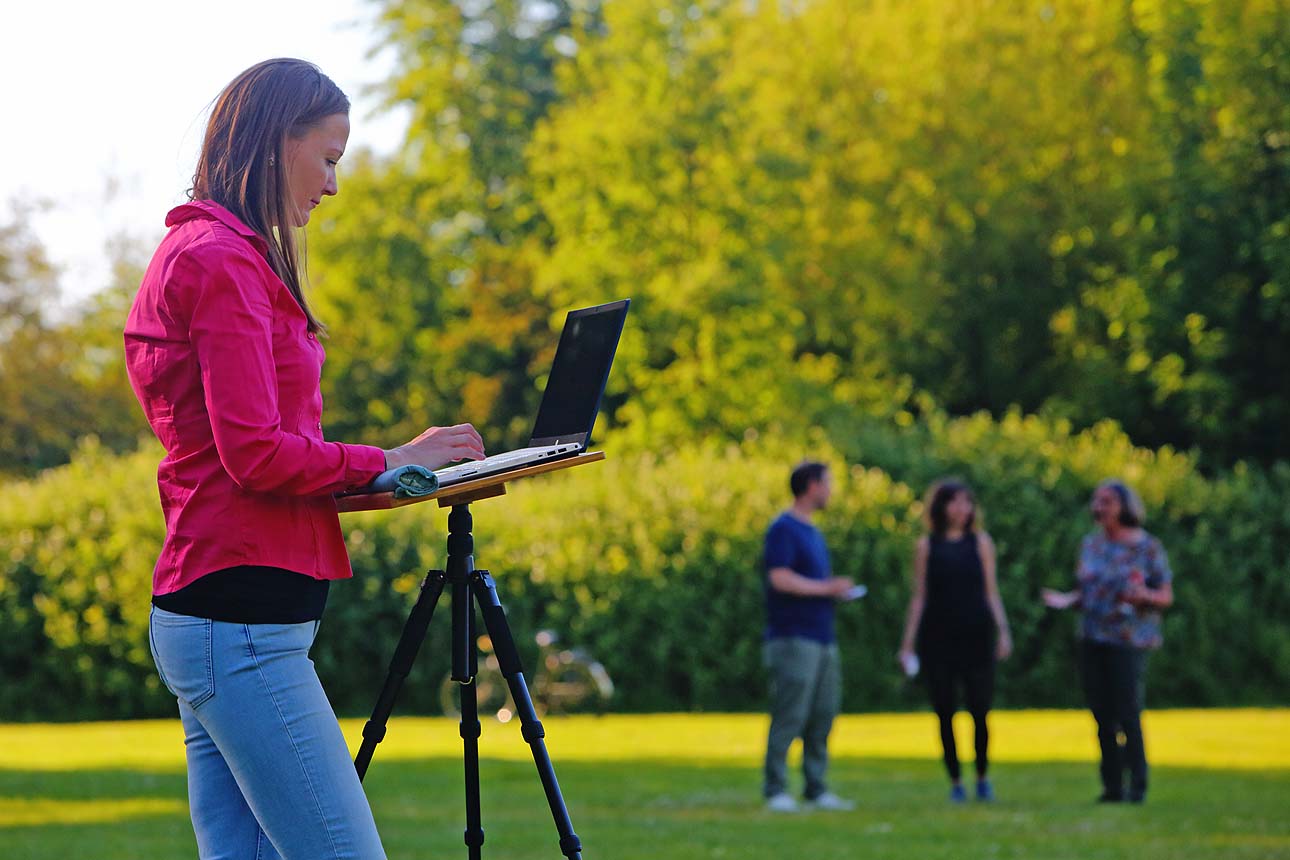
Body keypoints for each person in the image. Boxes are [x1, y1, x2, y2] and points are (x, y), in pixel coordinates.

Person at [124, 58, 486, 859]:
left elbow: (255, 466)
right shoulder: (219, 260)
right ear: (273, 142)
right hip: (241, 624)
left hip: (228, 615)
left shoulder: (222, 255)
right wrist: (384, 453)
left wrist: (397, 476)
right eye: (327, 158)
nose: (331, 184)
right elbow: (253, 455)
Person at [1042, 480, 1174, 804]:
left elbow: (1166, 595)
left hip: (1128, 638)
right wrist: (1067, 600)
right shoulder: (1091, 545)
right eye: (1097, 501)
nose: (1100, 508)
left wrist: (1144, 595)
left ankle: (1137, 784)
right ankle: (1112, 786)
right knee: (1101, 715)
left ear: (1125, 506)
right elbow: (1089, 591)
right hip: (1092, 636)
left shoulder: (1147, 547)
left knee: (1127, 711)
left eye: (1108, 502)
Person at [897, 480, 1012, 802]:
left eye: (967, 502)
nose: (962, 509)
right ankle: (956, 780)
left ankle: (983, 776)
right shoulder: (927, 547)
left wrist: (1003, 630)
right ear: (942, 507)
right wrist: (907, 643)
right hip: (939, 638)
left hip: (976, 635)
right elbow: (919, 596)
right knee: (944, 710)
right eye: (955, 502)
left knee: (980, 708)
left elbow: (991, 591)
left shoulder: (981, 543)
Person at [761, 461, 857, 813]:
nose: (831, 490)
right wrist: (826, 587)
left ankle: (816, 788)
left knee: (823, 713)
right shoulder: (783, 528)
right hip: (792, 638)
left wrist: (833, 592)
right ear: (811, 486)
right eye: (828, 483)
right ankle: (776, 790)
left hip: (822, 637)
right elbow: (780, 578)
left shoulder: (813, 531)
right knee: (790, 713)